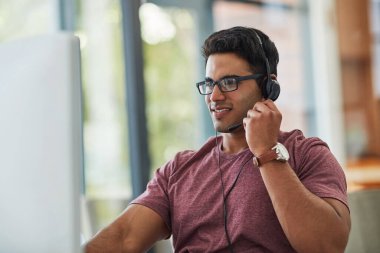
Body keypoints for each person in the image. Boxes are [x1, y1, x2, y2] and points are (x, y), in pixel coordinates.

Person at [85, 26, 350, 253]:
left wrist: (267, 152)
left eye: (230, 82)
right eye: (210, 84)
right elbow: (125, 238)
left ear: (268, 86)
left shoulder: (307, 154)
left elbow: (326, 246)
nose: (214, 97)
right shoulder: (179, 169)